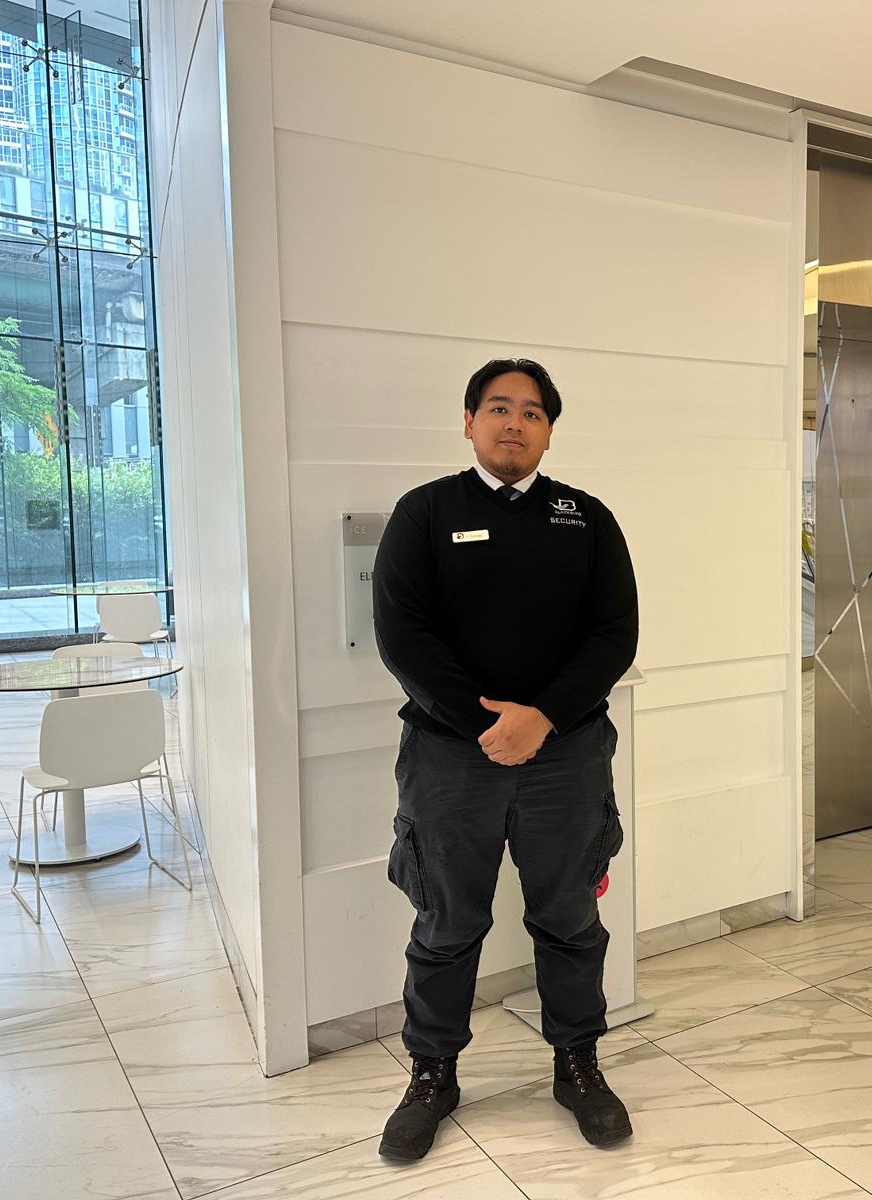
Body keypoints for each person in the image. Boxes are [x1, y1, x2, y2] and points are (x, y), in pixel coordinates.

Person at [371, 358, 639, 1162]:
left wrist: (543, 718)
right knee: (447, 920)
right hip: (452, 758)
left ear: (549, 431)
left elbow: (614, 634)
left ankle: (577, 1064)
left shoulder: (586, 518)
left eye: (531, 411)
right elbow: (402, 633)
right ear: (469, 422)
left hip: (567, 755)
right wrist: (488, 726)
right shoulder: (425, 513)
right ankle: (433, 1074)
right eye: (498, 407)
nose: (514, 422)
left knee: (569, 917)